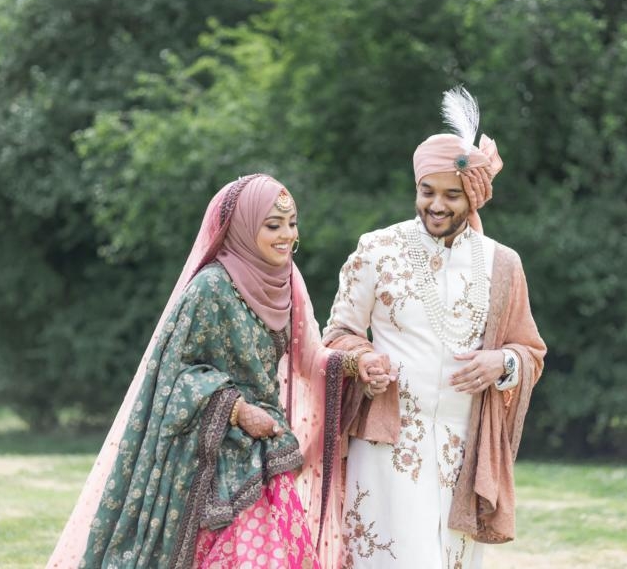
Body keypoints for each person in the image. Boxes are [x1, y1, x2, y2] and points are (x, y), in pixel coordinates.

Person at [47, 174, 378, 569]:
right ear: (242, 229)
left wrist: (357, 363)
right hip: (206, 456)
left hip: (265, 448)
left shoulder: (287, 281)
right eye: (273, 225)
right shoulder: (210, 288)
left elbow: (309, 357)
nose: (287, 235)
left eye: (291, 224)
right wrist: (238, 410)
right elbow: (174, 374)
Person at [322, 87, 546, 568]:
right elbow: (337, 335)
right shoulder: (376, 250)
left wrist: (502, 362)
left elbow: (530, 352)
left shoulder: (502, 264)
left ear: (474, 196)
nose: (437, 205)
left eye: (451, 194)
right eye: (428, 192)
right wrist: (362, 360)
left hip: (464, 451)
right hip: (386, 448)